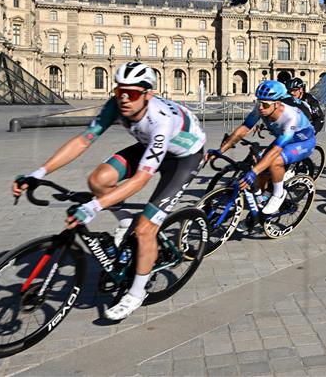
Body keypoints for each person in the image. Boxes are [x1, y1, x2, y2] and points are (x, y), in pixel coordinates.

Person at [12, 61, 207, 321]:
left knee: (146, 228)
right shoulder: (116, 106)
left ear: (148, 94)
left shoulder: (160, 121)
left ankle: (136, 293)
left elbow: (140, 180)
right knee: (99, 180)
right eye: (120, 92)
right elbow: (84, 140)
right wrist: (40, 172)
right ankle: (124, 219)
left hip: (183, 158)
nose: (125, 99)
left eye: (133, 94)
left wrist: (94, 207)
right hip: (150, 146)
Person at [211, 80, 315, 217]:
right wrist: (220, 151)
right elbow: (243, 129)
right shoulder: (262, 108)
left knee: (274, 161)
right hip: (285, 138)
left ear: (278, 104)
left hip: (303, 142)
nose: (260, 107)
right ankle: (263, 199)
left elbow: (276, 151)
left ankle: (279, 194)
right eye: (258, 102)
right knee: (260, 163)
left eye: (265, 104)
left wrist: (253, 173)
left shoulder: (291, 117)